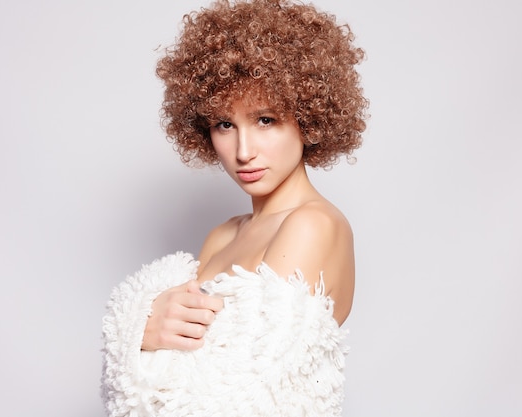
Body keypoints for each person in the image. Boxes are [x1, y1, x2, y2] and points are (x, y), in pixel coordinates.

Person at [101, 0, 368, 416]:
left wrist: (135, 338)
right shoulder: (224, 234)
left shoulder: (312, 225)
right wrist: (140, 328)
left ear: (309, 116)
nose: (244, 151)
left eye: (265, 120)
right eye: (225, 124)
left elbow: (236, 392)